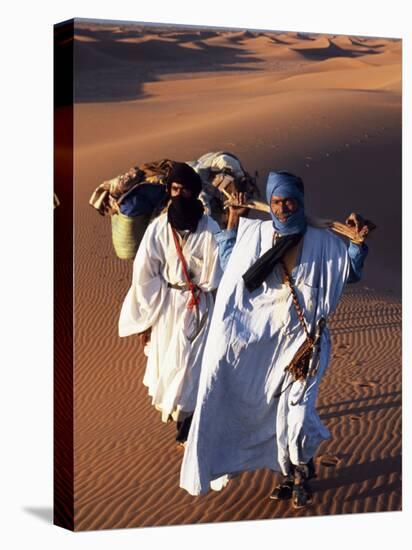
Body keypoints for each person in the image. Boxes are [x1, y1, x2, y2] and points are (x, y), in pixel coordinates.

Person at [179, 170, 369, 507]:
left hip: (305, 344)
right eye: (277, 202)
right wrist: (233, 224)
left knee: (297, 414)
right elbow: (231, 267)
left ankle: (297, 475)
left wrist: (356, 243)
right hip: (263, 344)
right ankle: (289, 470)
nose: (283, 208)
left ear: (301, 199)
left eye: (289, 201)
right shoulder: (256, 234)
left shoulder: (323, 240)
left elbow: (348, 273)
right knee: (271, 411)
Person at [118, 162, 223, 446]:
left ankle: (188, 425)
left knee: (192, 365)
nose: (179, 195)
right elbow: (144, 275)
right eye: (175, 189)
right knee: (171, 364)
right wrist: (147, 319)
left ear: (194, 193)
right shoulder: (158, 229)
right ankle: (183, 419)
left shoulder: (209, 227)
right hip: (169, 307)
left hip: (201, 307)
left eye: (185, 191)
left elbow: (217, 274)